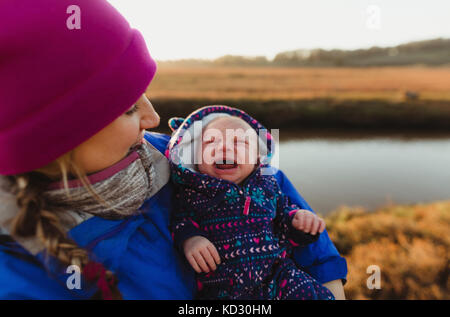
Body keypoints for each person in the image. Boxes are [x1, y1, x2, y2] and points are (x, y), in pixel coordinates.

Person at [0, 0, 347, 299]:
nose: (153, 117)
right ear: (54, 140)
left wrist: (330, 282)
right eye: (127, 109)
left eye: (144, 94)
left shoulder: (175, 156)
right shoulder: (18, 275)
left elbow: (268, 185)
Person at [169, 106, 335, 300]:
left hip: (279, 277)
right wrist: (190, 239)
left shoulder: (269, 187)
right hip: (222, 287)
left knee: (311, 294)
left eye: (240, 142)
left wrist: (299, 222)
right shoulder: (192, 192)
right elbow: (180, 220)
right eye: (211, 141)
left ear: (258, 159)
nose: (224, 148)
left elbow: (285, 220)